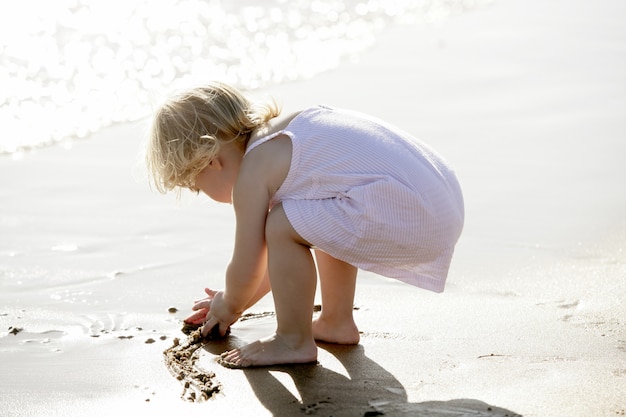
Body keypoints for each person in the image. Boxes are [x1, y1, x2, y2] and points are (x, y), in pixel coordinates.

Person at [146, 81, 464, 368]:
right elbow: (280, 264)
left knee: (282, 224)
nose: (205, 194)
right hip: (435, 203)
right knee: (308, 216)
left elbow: (249, 261)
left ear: (210, 161)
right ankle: (335, 322)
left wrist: (230, 302)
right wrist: (235, 299)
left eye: (197, 186)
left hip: (411, 212)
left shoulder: (252, 176)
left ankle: (293, 340)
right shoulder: (283, 138)